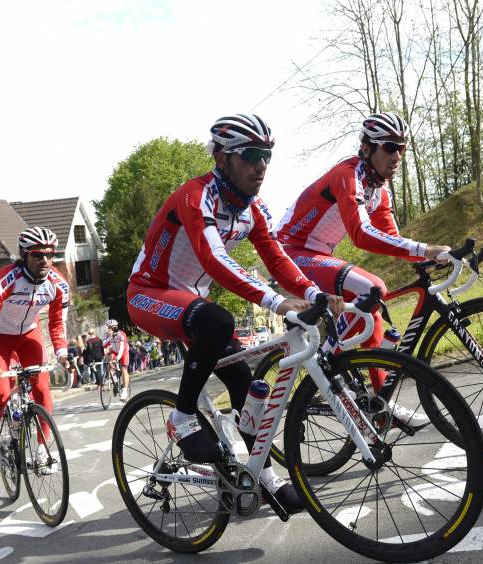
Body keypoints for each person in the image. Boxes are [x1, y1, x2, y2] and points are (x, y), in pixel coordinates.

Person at [126, 113, 343, 514]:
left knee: (245, 384)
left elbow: (277, 260)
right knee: (218, 320)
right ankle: (183, 416)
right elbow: (214, 257)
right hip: (149, 294)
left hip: (192, 303)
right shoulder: (197, 196)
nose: (261, 166)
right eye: (251, 156)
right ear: (223, 159)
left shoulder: (252, 208)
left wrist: (314, 292)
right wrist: (276, 301)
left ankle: (264, 480)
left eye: (267, 157)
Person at [275, 112, 450, 423]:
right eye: (389, 147)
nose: (397, 155)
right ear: (367, 147)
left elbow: (390, 238)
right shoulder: (348, 175)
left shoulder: (378, 188)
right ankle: (339, 368)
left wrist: (426, 258)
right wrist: (425, 249)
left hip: (316, 254)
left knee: (373, 311)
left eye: (402, 148)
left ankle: (368, 396)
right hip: (290, 252)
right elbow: (362, 235)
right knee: (373, 289)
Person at [0, 226, 71, 473]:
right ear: (24, 254)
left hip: (29, 335)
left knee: (42, 389)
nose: (45, 260)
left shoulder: (58, 284)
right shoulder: (3, 281)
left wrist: (62, 353)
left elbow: (58, 322)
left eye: (50, 254)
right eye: (38, 255)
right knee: (2, 394)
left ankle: (41, 449)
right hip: (0, 338)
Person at [103, 320, 130, 400]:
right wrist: (110, 337)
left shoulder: (121, 334)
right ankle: (114, 378)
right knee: (109, 358)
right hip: (114, 351)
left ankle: (124, 391)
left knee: (124, 369)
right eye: (108, 328)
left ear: (115, 327)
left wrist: (118, 359)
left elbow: (122, 348)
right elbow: (104, 345)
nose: (109, 329)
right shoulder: (107, 335)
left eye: (110, 328)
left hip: (123, 352)